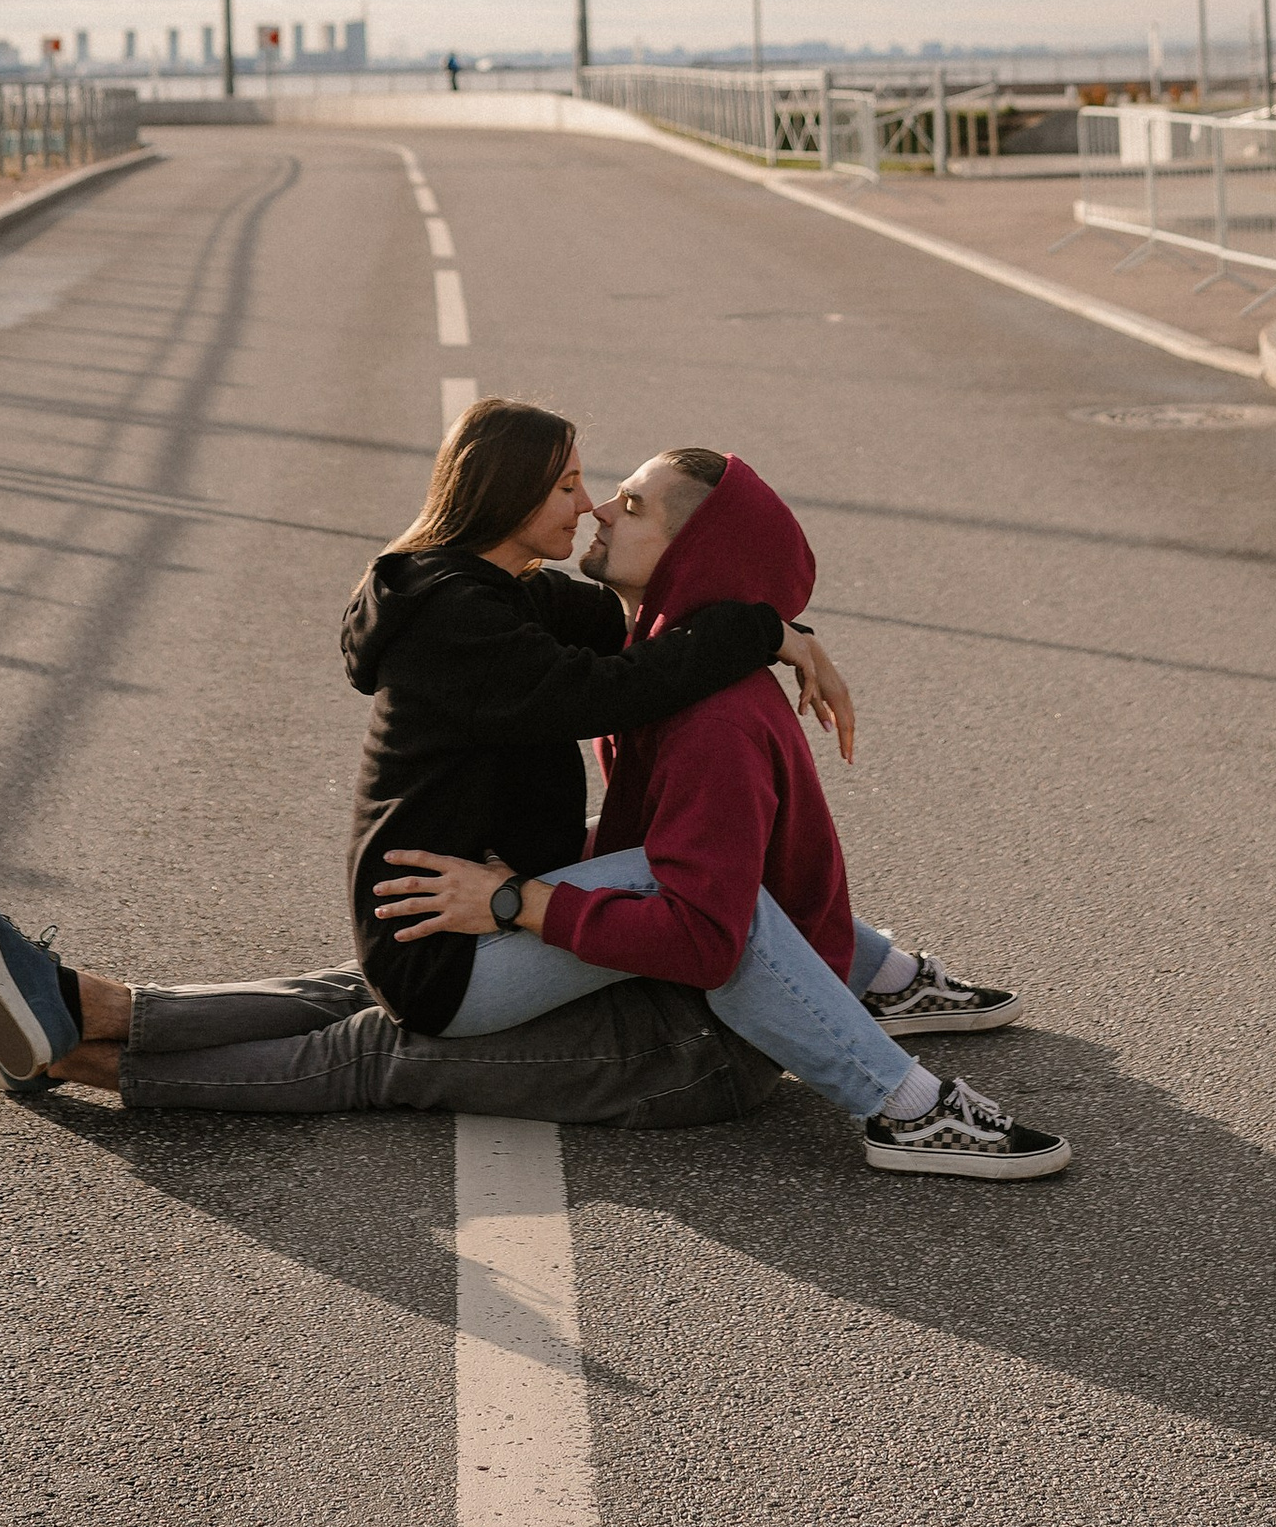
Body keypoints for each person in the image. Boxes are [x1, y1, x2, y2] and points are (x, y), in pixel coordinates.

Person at [0, 404, 1066, 1177]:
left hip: (470, 915)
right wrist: (764, 628)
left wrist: (769, 623)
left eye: (617, 501)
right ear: (512, 496)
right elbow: (615, 689)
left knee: (359, 1003)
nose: (593, 509)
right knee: (400, 1027)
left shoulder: (494, 598)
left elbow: (634, 640)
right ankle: (901, 1094)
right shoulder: (471, 624)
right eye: (574, 487)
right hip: (456, 926)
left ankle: (87, 1012)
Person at [375, 440, 1068, 1178]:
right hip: (701, 910)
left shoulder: (711, 722)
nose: (598, 509)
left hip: (700, 971)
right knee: (672, 854)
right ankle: (882, 978)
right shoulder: (668, 661)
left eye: (632, 506)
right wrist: (775, 630)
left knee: (693, 885)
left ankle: (907, 1108)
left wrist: (515, 899)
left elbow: (705, 933)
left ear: (689, 554)